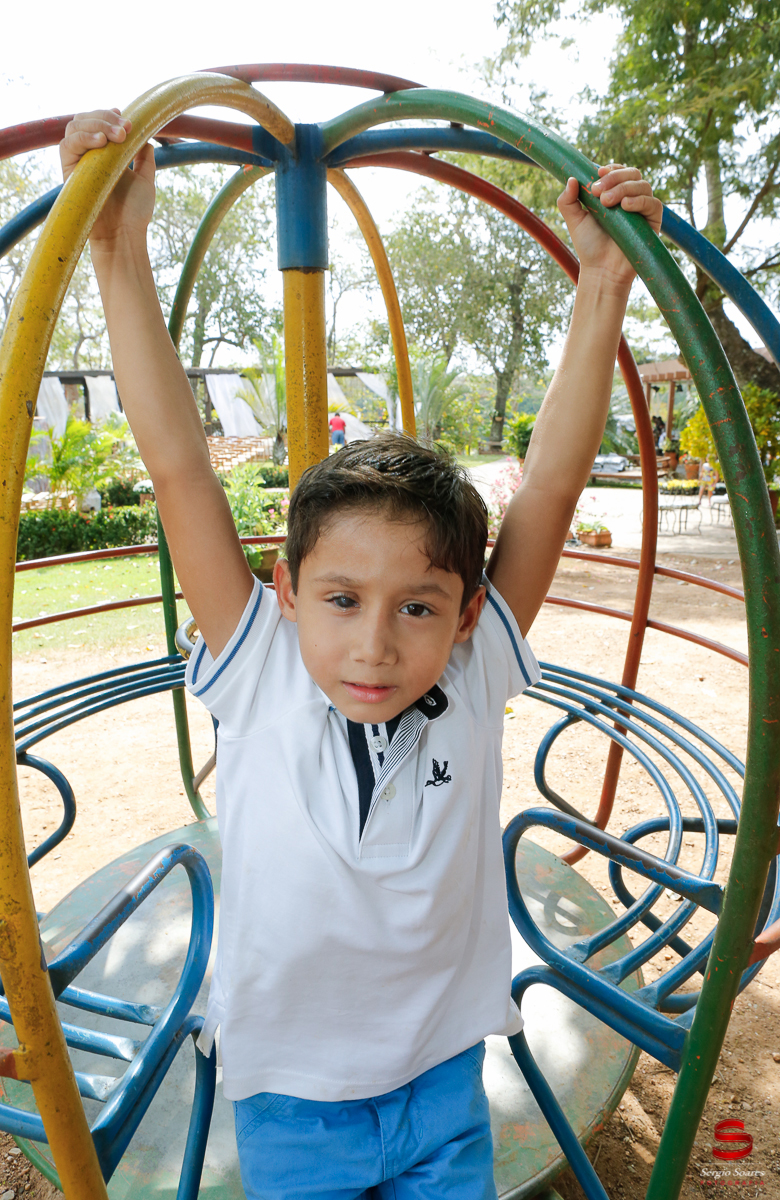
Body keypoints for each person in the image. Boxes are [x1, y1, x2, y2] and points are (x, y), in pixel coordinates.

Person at [61, 111, 661, 1200]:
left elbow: (552, 491)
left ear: (469, 611)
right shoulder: (259, 664)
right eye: (340, 598)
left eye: (419, 607)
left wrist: (602, 288)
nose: (374, 643)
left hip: (440, 1084)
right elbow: (181, 471)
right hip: (289, 1093)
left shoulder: (474, 672)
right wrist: (118, 252)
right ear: (285, 591)